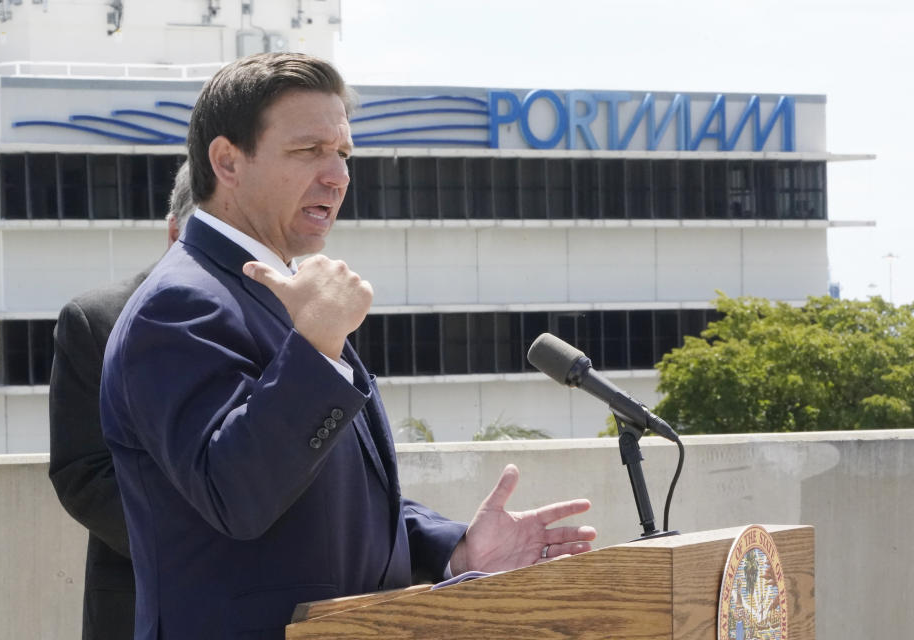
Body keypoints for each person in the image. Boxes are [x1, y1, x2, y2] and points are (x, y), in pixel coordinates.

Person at [99, 52, 597, 640]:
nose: (338, 176)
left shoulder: (273, 289)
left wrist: (457, 549)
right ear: (228, 161)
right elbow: (236, 494)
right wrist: (316, 345)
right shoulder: (180, 302)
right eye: (309, 151)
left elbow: (324, 505)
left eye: (343, 154)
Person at [48, 160, 195, 640]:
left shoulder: (299, 315)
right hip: (137, 602)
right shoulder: (96, 319)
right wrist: (201, 546)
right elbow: (83, 474)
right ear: (174, 231)